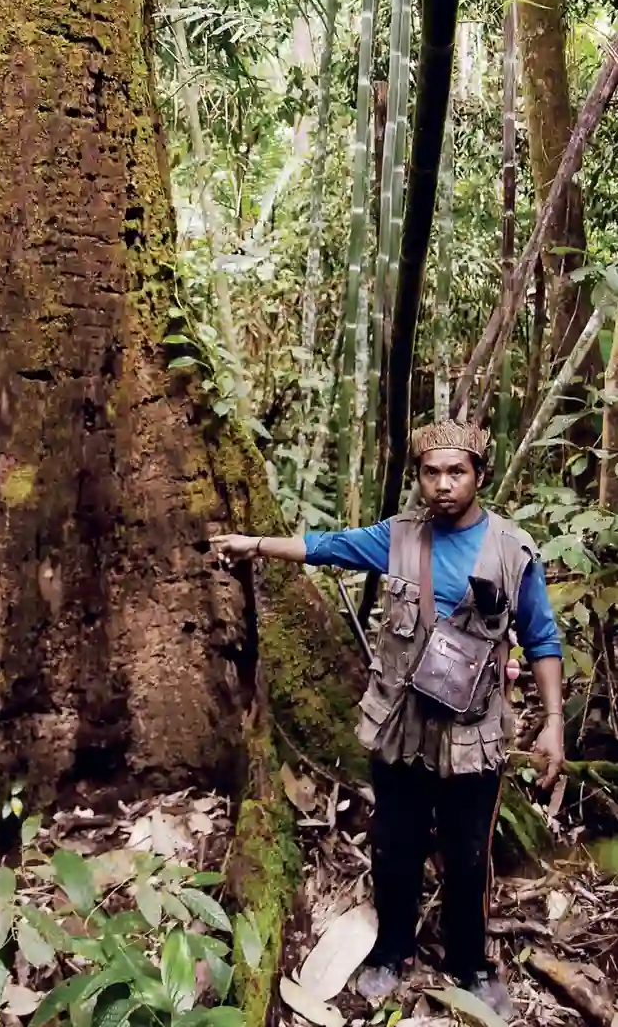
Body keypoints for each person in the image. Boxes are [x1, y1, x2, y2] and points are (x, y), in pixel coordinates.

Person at [210, 420, 564, 1021]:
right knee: (396, 842)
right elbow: (325, 546)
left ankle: (470, 963)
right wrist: (256, 544)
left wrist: (553, 721)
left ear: (480, 475)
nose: (443, 485)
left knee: (468, 851)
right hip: (401, 724)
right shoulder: (398, 537)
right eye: (431, 473)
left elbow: (542, 638)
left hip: (473, 732)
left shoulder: (512, 550)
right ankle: (393, 948)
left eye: (457, 472)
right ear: (419, 477)